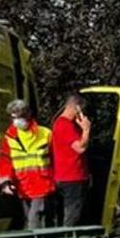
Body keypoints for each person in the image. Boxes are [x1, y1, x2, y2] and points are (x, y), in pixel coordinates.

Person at [0, 99, 55, 229]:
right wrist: (5, 182)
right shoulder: (10, 137)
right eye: (13, 117)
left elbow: (55, 157)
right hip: (23, 186)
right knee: (29, 218)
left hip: (42, 184)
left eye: (19, 116)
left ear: (28, 115)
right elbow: (5, 161)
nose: (16, 120)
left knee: (34, 220)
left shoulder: (45, 134)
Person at [51, 93, 91, 226]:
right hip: (72, 177)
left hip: (64, 176)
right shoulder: (65, 125)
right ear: (77, 108)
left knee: (65, 214)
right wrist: (86, 130)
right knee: (72, 217)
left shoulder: (61, 124)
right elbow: (80, 148)